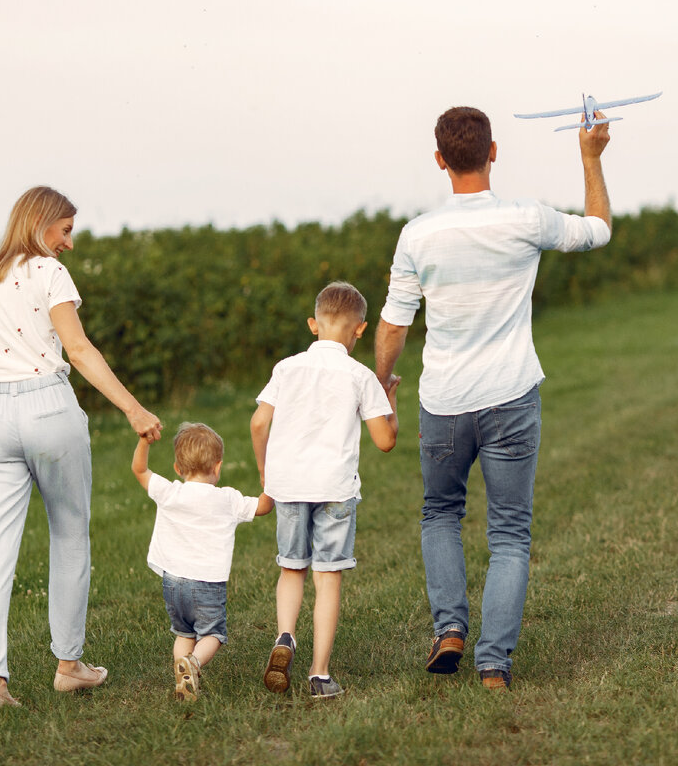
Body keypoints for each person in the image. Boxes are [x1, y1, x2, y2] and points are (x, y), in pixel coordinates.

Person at [374, 106, 613, 690]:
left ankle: (449, 629)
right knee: (509, 532)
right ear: (494, 152)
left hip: (444, 402)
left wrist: (382, 382)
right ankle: (493, 665)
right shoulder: (526, 219)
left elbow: (394, 326)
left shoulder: (417, 235)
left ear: (439, 159)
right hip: (511, 398)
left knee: (440, 514)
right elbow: (599, 229)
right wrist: (590, 157)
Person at [0, 186, 163, 712]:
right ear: (41, 223)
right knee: (69, 533)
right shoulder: (49, 273)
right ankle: (69, 666)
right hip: (49, 408)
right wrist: (133, 408)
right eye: (65, 230)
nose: (68, 243)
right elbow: (80, 349)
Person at [250, 281, 400, 699]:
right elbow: (385, 441)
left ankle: (284, 637)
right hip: (335, 489)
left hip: (290, 484)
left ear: (314, 324)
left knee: (291, 567)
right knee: (328, 577)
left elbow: (259, 423)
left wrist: (266, 470)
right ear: (360, 330)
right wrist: (391, 400)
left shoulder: (287, 367)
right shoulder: (361, 375)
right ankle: (319, 674)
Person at [131, 422, 273, 701]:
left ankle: (183, 678)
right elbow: (263, 506)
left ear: (177, 468)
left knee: (184, 632)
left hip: (172, 582)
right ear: (218, 468)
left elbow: (139, 469)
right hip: (207, 584)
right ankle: (193, 665)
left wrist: (144, 442)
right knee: (213, 635)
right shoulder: (228, 499)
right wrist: (269, 479)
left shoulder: (170, 492)